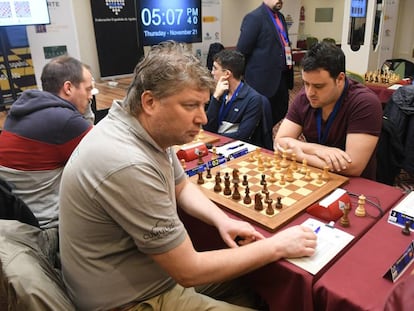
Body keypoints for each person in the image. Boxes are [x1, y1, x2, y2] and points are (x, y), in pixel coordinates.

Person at [59, 41, 317, 311]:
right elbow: (189, 271)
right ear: (149, 102)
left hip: (146, 276)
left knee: (259, 285)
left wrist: (222, 220)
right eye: (191, 105)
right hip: (131, 300)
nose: (203, 119)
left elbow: (181, 186)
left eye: (204, 105)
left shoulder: (141, 129)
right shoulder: (128, 163)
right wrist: (278, 246)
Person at [0, 56, 93, 261]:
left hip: (13, 229)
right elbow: (110, 157)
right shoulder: (65, 121)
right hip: (46, 234)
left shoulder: (24, 109)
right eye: (87, 89)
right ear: (68, 88)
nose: (90, 96)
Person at [274, 41, 383, 180]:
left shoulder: (365, 103)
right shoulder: (304, 97)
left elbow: (353, 166)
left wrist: (300, 155)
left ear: (340, 79)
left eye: (318, 86)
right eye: (306, 83)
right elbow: (280, 141)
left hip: (353, 184)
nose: (310, 92)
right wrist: (319, 150)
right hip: (313, 176)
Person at [237, 0, 294, 127]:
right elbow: (242, 51)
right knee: (260, 120)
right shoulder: (254, 18)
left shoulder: (281, 17)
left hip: (281, 78)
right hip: (261, 83)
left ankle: (265, 138)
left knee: (279, 112)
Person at [204, 49, 272, 149]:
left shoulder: (253, 99)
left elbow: (242, 135)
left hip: (236, 149)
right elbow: (207, 128)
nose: (212, 72)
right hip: (215, 145)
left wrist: (214, 141)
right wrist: (215, 98)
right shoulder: (218, 91)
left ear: (227, 74)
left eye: (215, 69)